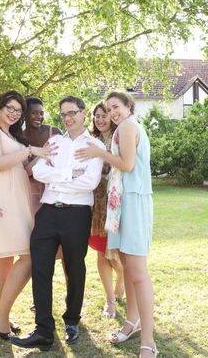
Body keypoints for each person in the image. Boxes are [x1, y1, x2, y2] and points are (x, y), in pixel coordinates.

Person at [11, 96, 104, 351]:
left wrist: (56, 178)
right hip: (48, 213)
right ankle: (43, 330)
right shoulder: (54, 142)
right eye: (63, 114)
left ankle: (72, 320)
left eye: (72, 112)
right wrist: (68, 174)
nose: (67, 118)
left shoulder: (94, 145)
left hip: (77, 215)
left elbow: (90, 182)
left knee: (75, 268)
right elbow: (39, 172)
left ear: (84, 113)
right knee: (40, 269)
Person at [75, 91, 158, 357]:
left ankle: (149, 341)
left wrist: (99, 153)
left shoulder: (129, 126)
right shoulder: (123, 127)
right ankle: (131, 322)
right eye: (109, 108)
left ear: (128, 106)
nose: (112, 112)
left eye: (116, 107)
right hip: (120, 203)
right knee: (127, 266)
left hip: (133, 203)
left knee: (137, 273)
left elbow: (127, 164)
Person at [0, 90, 53, 341]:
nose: (14, 113)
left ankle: (0, 315)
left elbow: (21, 169)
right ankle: (1, 316)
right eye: (10, 108)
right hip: (1, 196)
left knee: (6, 260)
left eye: (18, 110)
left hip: (18, 196)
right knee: (28, 255)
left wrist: (43, 155)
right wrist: (30, 149)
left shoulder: (12, 135)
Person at [87, 101, 125, 318]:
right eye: (97, 116)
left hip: (116, 203)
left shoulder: (120, 139)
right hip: (94, 205)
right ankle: (109, 299)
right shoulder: (91, 141)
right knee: (101, 253)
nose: (100, 119)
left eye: (104, 115)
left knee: (115, 256)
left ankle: (121, 277)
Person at [22, 97, 61, 215]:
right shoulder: (20, 138)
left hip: (52, 190)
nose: (39, 116)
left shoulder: (54, 132)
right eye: (34, 113)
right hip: (30, 191)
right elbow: (23, 171)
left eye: (41, 113)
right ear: (24, 114)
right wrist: (42, 154)